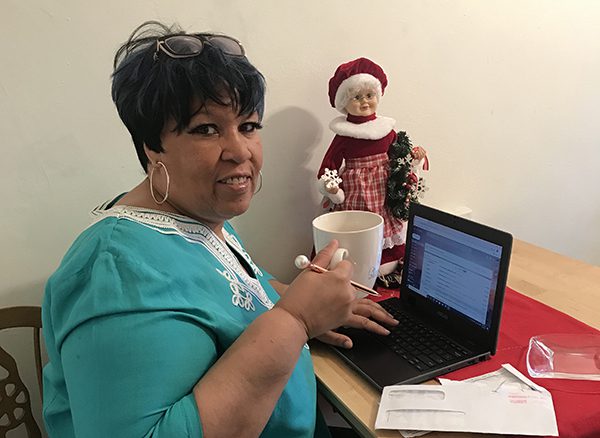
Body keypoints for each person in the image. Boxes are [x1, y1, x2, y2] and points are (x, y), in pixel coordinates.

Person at [41, 21, 398, 438]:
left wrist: (312, 302)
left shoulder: (195, 218)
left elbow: (218, 296)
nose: (240, 151)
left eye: (248, 126)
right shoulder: (114, 271)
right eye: (206, 129)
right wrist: (296, 319)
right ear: (151, 145)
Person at [316, 58, 428, 288]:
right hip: (358, 193)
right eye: (356, 97)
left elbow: (400, 155)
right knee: (361, 227)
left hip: (384, 189)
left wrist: (414, 157)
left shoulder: (386, 130)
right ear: (345, 102)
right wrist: (332, 188)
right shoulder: (344, 136)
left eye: (369, 95)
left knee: (388, 221)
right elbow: (330, 164)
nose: (365, 102)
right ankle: (365, 266)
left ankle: (392, 262)